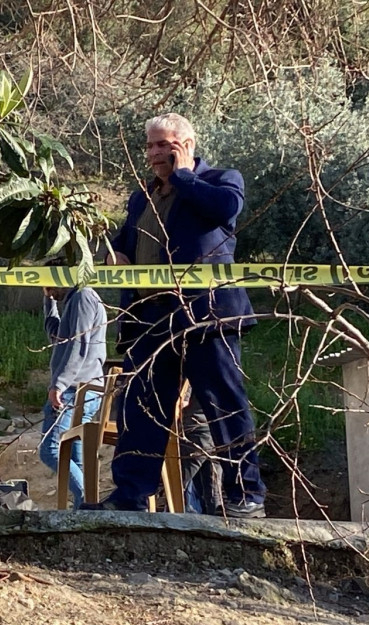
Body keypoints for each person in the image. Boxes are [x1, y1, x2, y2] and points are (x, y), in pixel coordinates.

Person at [87, 112, 265, 517]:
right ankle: (130, 496)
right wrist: (115, 256)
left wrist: (184, 177)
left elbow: (226, 210)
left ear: (186, 144)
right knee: (139, 408)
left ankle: (245, 495)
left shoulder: (222, 180)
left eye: (163, 145)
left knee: (224, 405)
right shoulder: (141, 197)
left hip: (206, 317)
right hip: (150, 318)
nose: (153, 153)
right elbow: (123, 244)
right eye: (149, 145)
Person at [38, 273, 108, 507]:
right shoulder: (74, 300)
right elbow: (57, 336)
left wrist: (59, 384)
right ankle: (86, 512)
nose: (46, 286)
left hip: (77, 389)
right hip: (80, 387)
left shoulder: (82, 297)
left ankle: (89, 505)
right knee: (76, 457)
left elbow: (79, 344)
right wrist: (49, 302)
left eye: (48, 281)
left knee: (50, 449)